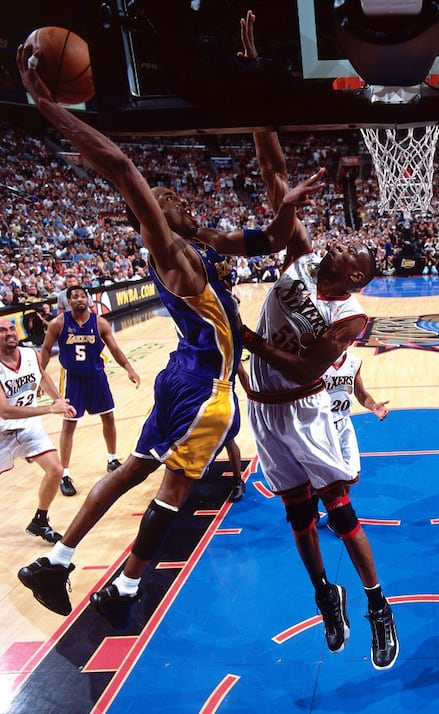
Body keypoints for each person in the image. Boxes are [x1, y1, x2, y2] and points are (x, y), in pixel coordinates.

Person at [15, 42, 323, 625]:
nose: (172, 195)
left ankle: (57, 562)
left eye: (173, 196)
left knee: (134, 467)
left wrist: (289, 200)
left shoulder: (205, 243)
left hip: (182, 373)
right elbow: (124, 169)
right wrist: (48, 105)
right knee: (174, 489)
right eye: (163, 200)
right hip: (205, 386)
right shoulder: (171, 253)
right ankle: (128, 589)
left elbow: (276, 237)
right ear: (153, 219)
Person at [235, 10, 399, 671]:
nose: (340, 245)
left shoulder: (351, 320)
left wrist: (242, 334)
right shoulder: (301, 252)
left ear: (356, 277)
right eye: (342, 243)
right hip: (268, 409)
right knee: (296, 518)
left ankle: (377, 604)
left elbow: (304, 368)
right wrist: (253, 77)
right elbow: (272, 164)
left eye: (353, 253)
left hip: (304, 408)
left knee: (339, 512)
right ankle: (321, 594)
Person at [39, 285, 141, 497]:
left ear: (88, 299)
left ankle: (112, 459)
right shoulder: (59, 323)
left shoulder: (99, 322)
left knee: (108, 417)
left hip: (96, 377)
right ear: (68, 301)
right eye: (74, 297)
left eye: (82, 295)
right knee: (69, 424)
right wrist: (40, 375)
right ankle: (64, 474)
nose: (79, 299)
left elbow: (114, 349)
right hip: (72, 379)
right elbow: (46, 349)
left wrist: (129, 369)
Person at [0, 317, 76, 543]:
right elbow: (5, 411)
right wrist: (50, 409)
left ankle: (40, 521)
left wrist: (59, 400)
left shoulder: (30, 354)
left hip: (28, 428)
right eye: (2, 331)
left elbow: (42, 376)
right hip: (2, 431)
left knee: (56, 470)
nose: (9, 333)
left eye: (11, 328)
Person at [321, 349, 389, 478]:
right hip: (321, 425)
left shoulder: (354, 362)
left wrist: (373, 406)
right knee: (322, 478)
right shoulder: (316, 362)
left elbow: (360, 394)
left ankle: (344, 498)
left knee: (352, 473)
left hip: (343, 422)